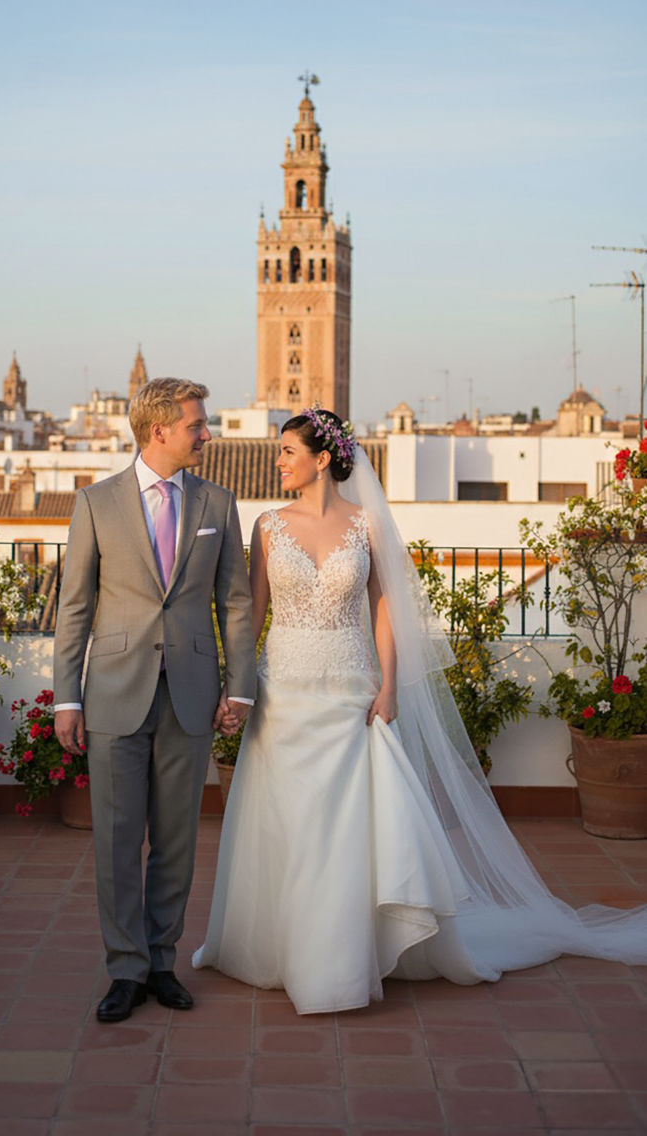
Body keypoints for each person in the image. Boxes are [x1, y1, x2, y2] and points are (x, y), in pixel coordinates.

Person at [193, 407, 647, 1015]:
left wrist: (390, 686)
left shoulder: (367, 524)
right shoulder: (268, 527)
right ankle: (277, 946)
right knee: (287, 822)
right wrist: (241, 688)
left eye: (286, 452)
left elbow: (384, 609)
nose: (277, 462)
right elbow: (252, 616)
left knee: (348, 826)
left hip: (353, 688)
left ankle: (342, 954)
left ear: (321, 459)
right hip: (287, 693)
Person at [54, 377, 256, 1023]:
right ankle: (124, 967)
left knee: (175, 838)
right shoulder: (95, 503)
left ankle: (161, 960)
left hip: (190, 692)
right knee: (116, 839)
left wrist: (240, 684)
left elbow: (236, 602)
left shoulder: (217, 502)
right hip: (114, 691)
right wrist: (66, 698)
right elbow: (75, 606)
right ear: (159, 429)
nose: (207, 432)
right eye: (198, 423)